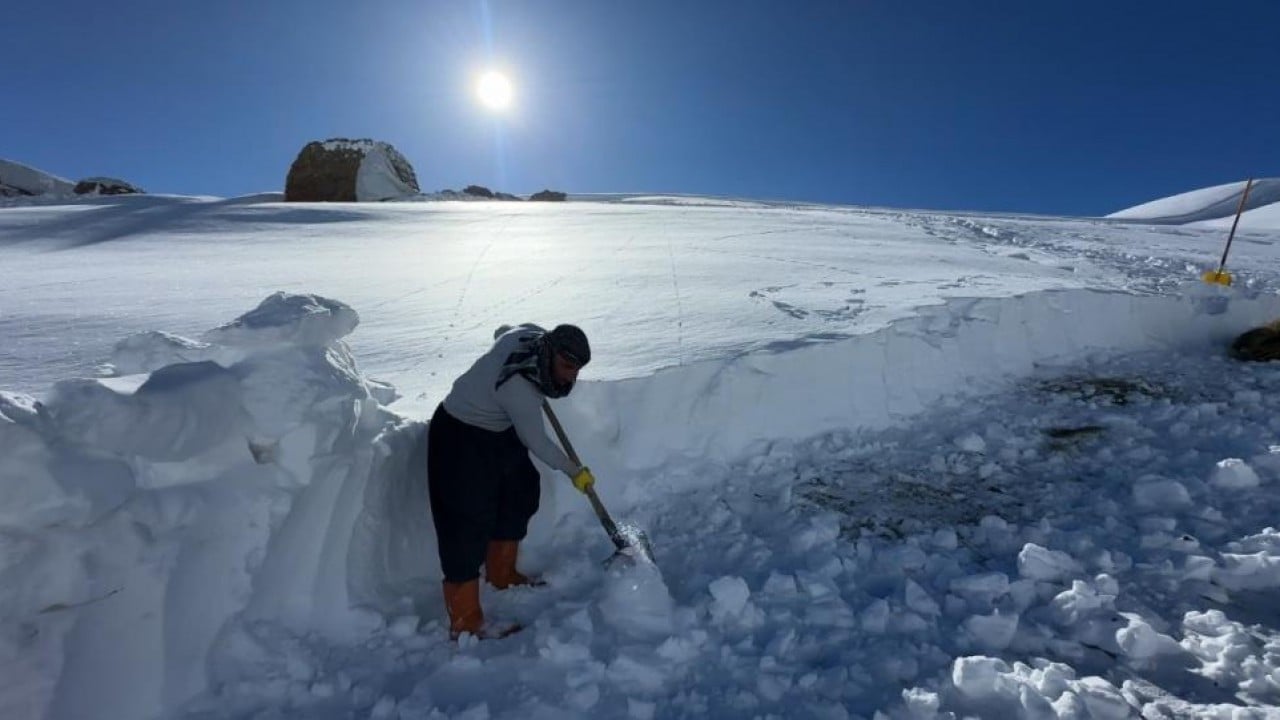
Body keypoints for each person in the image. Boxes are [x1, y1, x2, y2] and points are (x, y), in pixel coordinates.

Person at [427, 323, 596, 639]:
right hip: (458, 433)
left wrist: (500, 335)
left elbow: (507, 330)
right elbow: (538, 442)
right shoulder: (518, 388)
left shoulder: (532, 336)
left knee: (521, 489)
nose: (572, 376)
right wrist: (575, 472)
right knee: (466, 518)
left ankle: (501, 573)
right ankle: (465, 620)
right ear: (549, 354)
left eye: (578, 369)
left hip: (497, 427)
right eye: (568, 366)